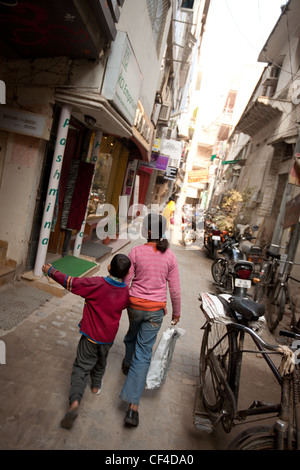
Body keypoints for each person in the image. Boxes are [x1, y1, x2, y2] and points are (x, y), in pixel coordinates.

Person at [42, 253, 131, 430]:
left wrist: (51, 271)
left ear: (108, 268)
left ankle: (74, 402)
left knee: (81, 367)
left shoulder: (96, 284)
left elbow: (71, 282)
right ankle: (96, 386)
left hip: (90, 337)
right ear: (126, 275)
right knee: (101, 361)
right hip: (108, 338)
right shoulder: (125, 292)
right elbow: (124, 305)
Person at [120, 213, 181, 427]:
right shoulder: (170, 257)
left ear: (147, 232)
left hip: (135, 306)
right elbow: (174, 289)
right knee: (144, 352)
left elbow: (126, 282)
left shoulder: (135, 252)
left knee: (131, 336)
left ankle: (127, 362)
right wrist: (176, 313)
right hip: (156, 311)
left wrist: (118, 304)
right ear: (162, 232)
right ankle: (132, 410)